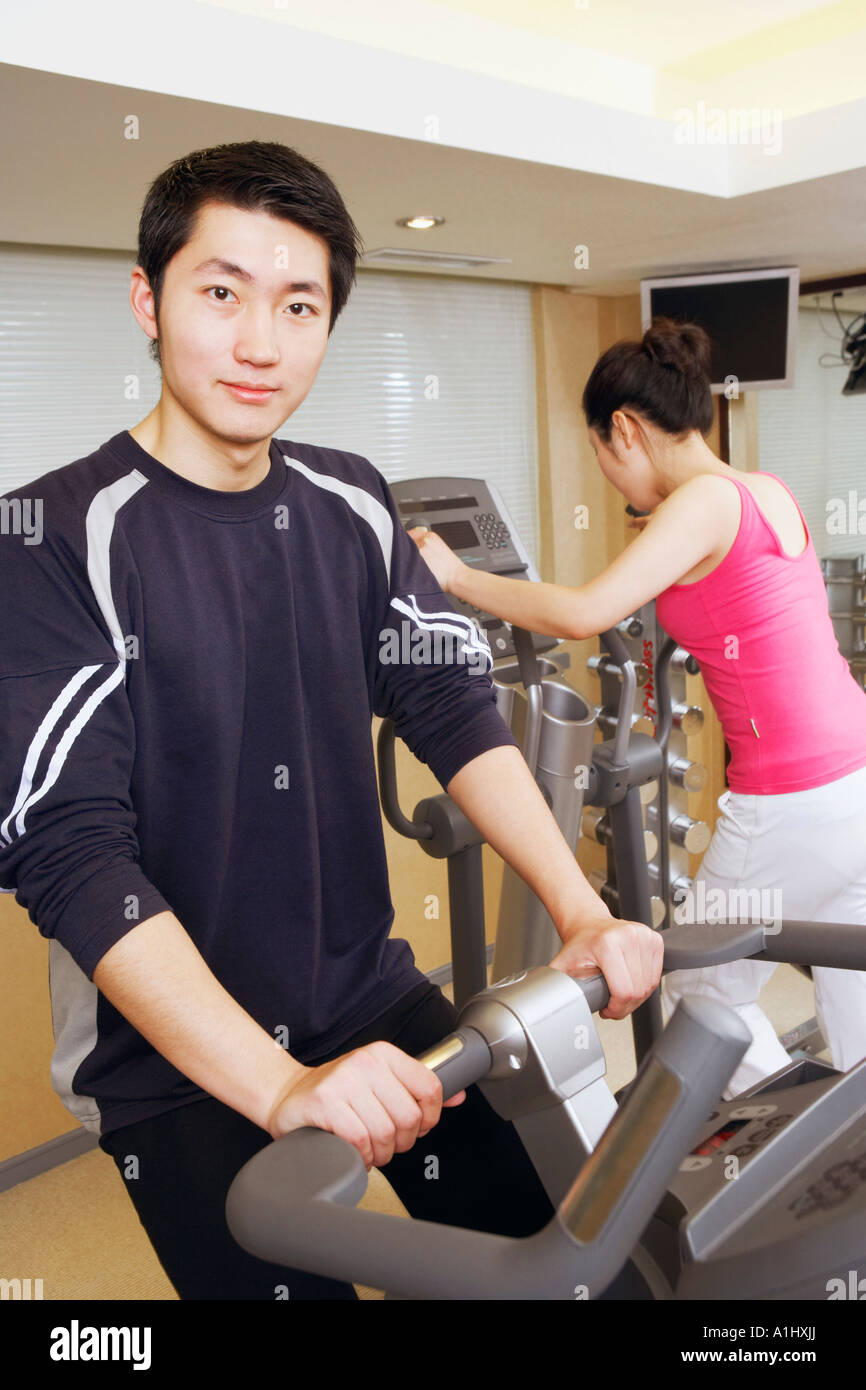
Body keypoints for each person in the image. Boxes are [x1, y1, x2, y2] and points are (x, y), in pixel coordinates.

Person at [0, 140, 662, 1301]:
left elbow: (448, 705)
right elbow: (70, 853)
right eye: (221, 293)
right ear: (148, 301)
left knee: (554, 1260)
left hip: (367, 994)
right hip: (169, 1063)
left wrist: (577, 907)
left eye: (298, 304)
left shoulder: (350, 497)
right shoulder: (51, 539)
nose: (261, 344)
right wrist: (280, 1089)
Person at [411, 316, 866, 1098]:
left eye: (603, 459)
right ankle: (841, 1175)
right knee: (855, 986)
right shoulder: (760, 490)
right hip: (855, 781)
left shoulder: (701, 505)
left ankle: (775, 1157)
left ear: (624, 429)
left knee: (695, 984)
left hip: (788, 804)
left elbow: (584, 611)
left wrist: (454, 576)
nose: (611, 484)